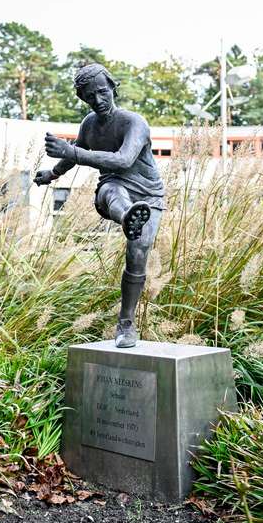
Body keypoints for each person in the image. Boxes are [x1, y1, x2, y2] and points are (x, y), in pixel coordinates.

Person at [34, 63, 166, 347]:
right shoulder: (89, 125)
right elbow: (75, 154)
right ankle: (128, 217)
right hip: (113, 191)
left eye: (102, 92)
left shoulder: (134, 122)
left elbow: (123, 160)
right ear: (83, 99)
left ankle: (126, 322)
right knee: (113, 189)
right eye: (90, 96)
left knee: (137, 254)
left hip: (149, 196)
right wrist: (53, 174)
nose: (98, 100)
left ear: (112, 87)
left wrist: (72, 151)